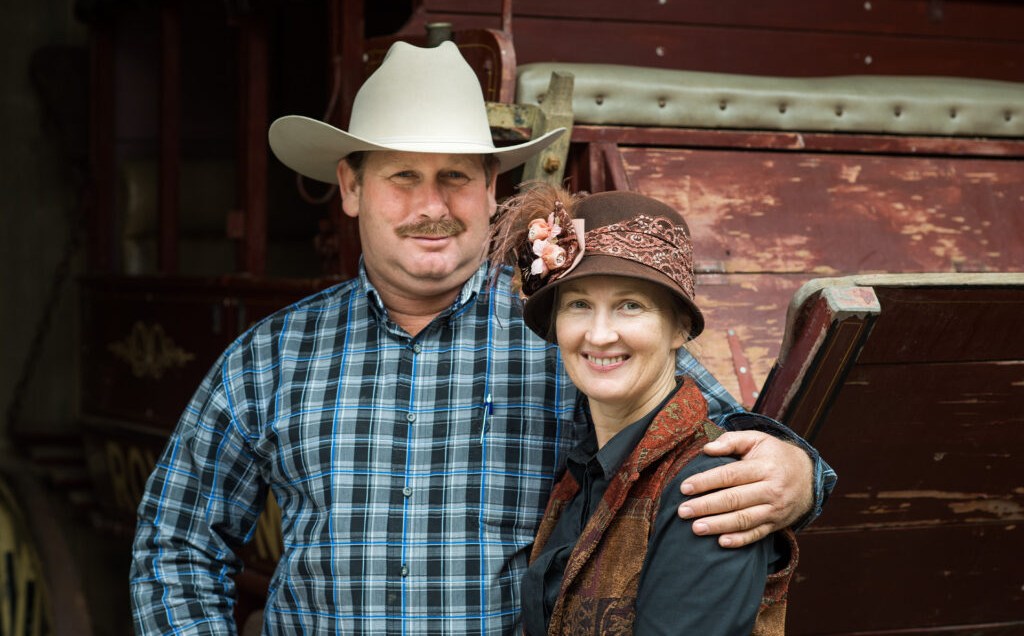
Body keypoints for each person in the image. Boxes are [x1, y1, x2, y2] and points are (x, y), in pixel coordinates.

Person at [130, 40, 834, 635]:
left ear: (492, 186)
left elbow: (709, 432)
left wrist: (800, 474)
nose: (431, 206)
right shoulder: (271, 358)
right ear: (350, 186)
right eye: (402, 176)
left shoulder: (569, 332)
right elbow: (176, 542)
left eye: (455, 177)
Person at [490, 184, 797, 635]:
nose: (598, 334)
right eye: (579, 305)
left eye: (629, 306)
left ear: (679, 329)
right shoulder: (586, 471)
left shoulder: (705, 489)